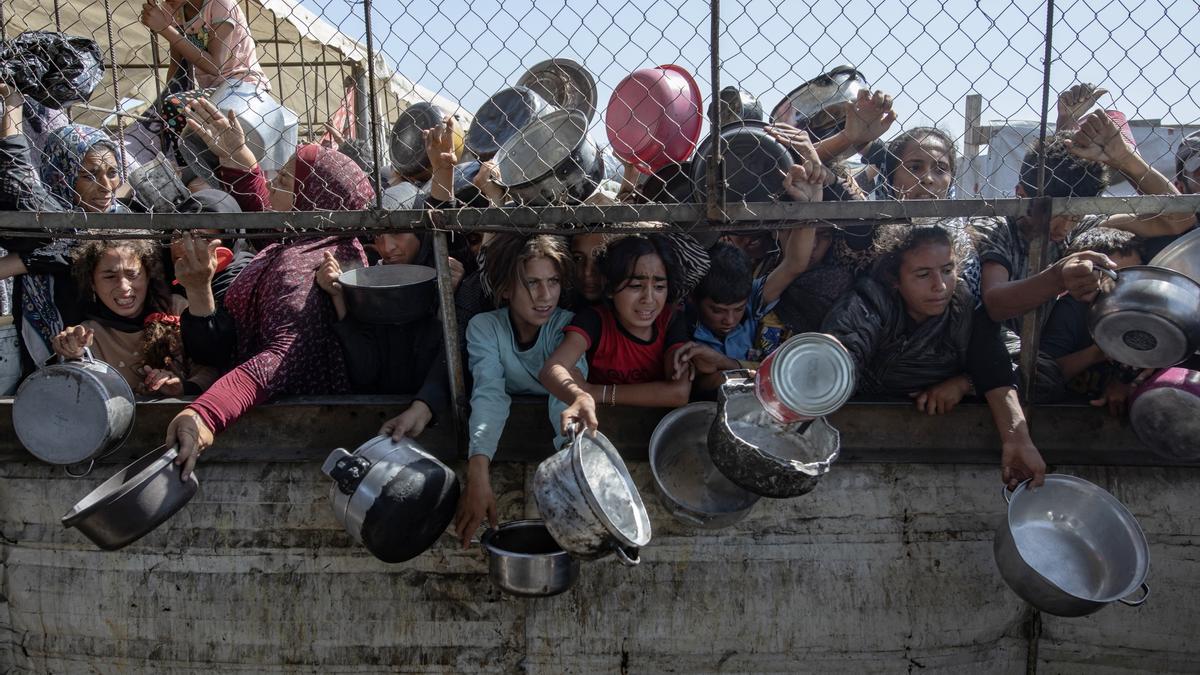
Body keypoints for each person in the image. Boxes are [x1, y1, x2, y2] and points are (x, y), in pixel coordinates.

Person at [162, 97, 373, 479]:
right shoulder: (313, 239)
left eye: (287, 179)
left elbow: (277, 360)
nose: (274, 179)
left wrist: (206, 413)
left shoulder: (308, 265)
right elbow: (269, 216)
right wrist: (236, 156)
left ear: (312, 202)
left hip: (292, 429)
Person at [822, 223, 1046, 488]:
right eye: (923, 274)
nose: (939, 286)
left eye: (947, 271)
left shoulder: (963, 308)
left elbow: (1031, 366)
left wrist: (966, 384)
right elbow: (837, 363)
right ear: (896, 278)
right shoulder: (868, 305)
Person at [977, 109, 1194, 331]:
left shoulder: (1081, 227)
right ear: (1021, 194)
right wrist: (1058, 277)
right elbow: (996, 304)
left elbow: (1178, 220)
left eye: (1074, 215)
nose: (1064, 227)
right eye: (1054, 215)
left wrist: (1125, 158)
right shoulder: (996, 228)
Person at [453, 233, 585, 548]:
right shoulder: (485, 328)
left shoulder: (566, 327)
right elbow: (489, 393)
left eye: (553, 282)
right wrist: (478, 470)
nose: (546, 295)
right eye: (532, 283)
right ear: (505, 289)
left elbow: (563, 396)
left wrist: (572, 466)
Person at [0, 83, 126, 370]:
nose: (106, 187)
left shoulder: (128, 223)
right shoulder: (45, 226)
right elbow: (18, 184)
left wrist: (24, 262)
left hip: (111, 360)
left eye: (112, 173)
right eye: (90, 175)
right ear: (63, 175)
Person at [539, 232, 699, 434]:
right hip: (601, 430)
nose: (648, 299)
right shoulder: (594, 321)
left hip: (654, 433)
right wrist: (580, 395)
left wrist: (597, 392)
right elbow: (552, 368)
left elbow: (678, 393)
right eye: (635, 286)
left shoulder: (670, 321)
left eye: (659, 286)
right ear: (610, 288)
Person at [50, 239, 217, 396]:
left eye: (133, 274)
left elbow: (212, 367)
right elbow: (77, 388)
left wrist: (182, 387)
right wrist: (72, 351)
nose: (124, 287)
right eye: (109, 276)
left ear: (147, 276)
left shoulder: (177, 309)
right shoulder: (89, 335)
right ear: (92, 283)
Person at [1037, 227, 1147, 415]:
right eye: (1115, 276)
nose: (1126, 285)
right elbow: (1046, 375)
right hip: (1068, 411)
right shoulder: (1071, 310)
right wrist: (1101, 351)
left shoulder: (1146, 309)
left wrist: (1126, 383)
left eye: (1134, 275)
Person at [875, 126, 982, 299]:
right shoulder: (866, 240)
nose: (928, 179)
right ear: (890, 176)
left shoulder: (965, 245)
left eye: (940, 169)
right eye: (914, 167)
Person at [140, 0, 269, 94]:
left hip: (244, 87)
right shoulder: (172, 8)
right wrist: (169, 99)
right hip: (210, 93)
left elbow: (215, 66)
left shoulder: (220, 3)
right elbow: (177, 65)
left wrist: (164, 28)